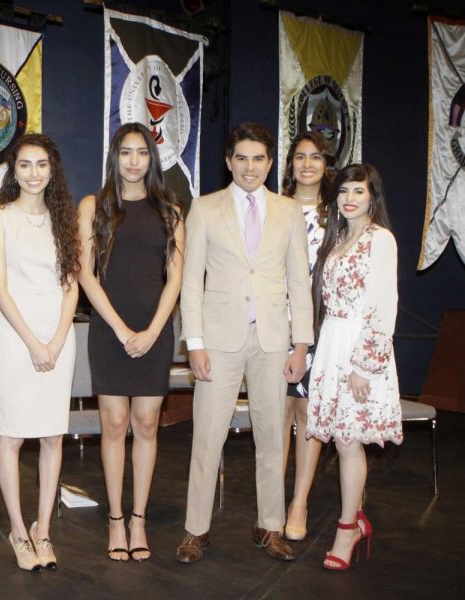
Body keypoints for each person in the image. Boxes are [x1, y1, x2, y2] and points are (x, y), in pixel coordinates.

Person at [177, 123, 313, 564]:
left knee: (273, 438)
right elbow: (190, 280)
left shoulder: (289, 211)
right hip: (218, 340)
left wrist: (301, 345)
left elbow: (299, 281)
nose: (250, 167)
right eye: (241, 158)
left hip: (274, 340)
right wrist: (194, 342)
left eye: (258, 159)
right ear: (229, 161)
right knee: (207, 437)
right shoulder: (203, 208)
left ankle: (269, 526)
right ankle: (196, 529)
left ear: (270, 163)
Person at [77, 123, 184, 562]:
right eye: (126, 152)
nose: (134, 161)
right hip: (109, 330)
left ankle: (139, 519)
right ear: (115, 157)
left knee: (145, 425)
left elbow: (176, 277)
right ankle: (116, 520)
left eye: (142, 152)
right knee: (115, 424)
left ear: (152, 160)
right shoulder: (93, 205)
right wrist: (122, 331)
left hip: (154, 331)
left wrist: (154, 331)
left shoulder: (170, 210)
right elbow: (86, 273)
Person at [0, 134, 80, 571]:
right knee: (12, 434)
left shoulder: (65, 220)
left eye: (41, 165)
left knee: (51, 435)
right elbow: (0, 290)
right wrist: (33, 342)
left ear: (52, 169)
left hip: (58, 337)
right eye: (25, 164)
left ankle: (44, 528)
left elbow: (71, 285)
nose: (34, 173)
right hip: (15, 336)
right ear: (13, 169)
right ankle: (19, 532)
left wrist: (57, 339)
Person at [307, 163, 402, 570]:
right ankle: (354, 520)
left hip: (360, 349)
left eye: (358, 192)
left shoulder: (381, 240)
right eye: (343, 191)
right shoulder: (339, 238)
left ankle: (347, 527)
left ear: (372, 197)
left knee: (348, 440)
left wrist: (366, 365)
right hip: (332, 344)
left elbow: (384, 305)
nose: (349, 198)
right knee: (342, 441)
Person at [278, 131, 334, 541]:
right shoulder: (275, 208)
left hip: (322, 326)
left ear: (326, 165)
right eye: (300, 157)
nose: (308, 164)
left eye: (316, 157)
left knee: (308, 416)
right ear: (290, 163)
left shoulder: (337, 213)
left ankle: (299, 503)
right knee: (278, 414)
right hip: (274, 323)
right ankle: (272, 502)